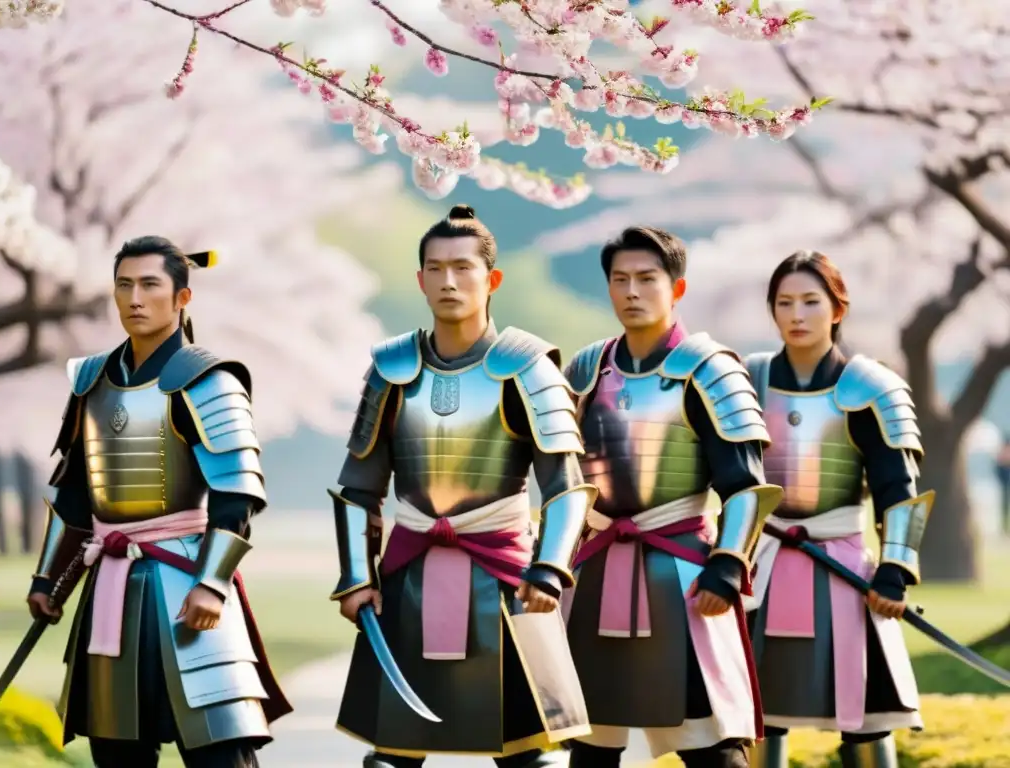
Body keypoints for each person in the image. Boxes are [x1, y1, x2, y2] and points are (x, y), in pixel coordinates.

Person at [330, 204, 594, 767]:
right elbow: (358, 485)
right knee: (392, 757)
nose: (448, 281)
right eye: (435, 268)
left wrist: (549, 570)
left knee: (532, 755)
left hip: (507, 579)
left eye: (463, 267)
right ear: (419, 279)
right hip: (407, 585)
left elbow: (566, 486)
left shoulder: (528, 367)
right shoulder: (391, 369)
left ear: (491, 278)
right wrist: (356, 577)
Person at [26, 236, 291, 768]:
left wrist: (212, 586)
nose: (135, 298)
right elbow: (77, 496)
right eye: (124, 285)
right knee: (117, 752)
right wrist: (47, 581)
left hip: (186, 583)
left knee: (221, 752)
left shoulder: (208, 380)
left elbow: (236, 495)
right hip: (111, 596)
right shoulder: (91, 380)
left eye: (150, 285)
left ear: (182, 298)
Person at [561, 226, 781, 768]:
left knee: (713, 747)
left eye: (646, 279)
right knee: (590, 745)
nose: (631, 291)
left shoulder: (710, 370)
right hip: (596, 571)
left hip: (683, 574)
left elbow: (745, 485)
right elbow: (560, 479)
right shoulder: (588, 371)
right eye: (620, 280)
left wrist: (727, 566)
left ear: (675, 288)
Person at [743, 250, 931, 768]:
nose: (796, 315)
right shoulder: (747, 381)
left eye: (810, 301)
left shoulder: (871, 387)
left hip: (842, 569)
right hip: (762, 567)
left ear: (837, 308)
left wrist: (894, 568)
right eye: (784, 303)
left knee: (865, 715)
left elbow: (899, 486)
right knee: (755, 715)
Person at [996, 433, 1010, 535]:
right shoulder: (1002, 461)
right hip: (1005, 487)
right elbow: (998, 471)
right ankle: (1005, 528)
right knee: (1005, 507)